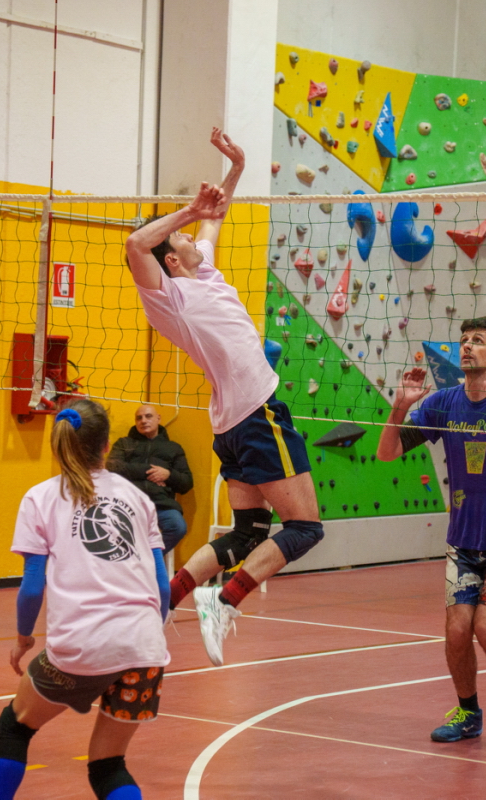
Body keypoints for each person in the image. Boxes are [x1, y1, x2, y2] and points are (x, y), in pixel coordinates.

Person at [123, 128, 323, 667]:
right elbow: (136, 245)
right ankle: (225, 600)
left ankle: (162, 604)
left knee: (248, 532)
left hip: (233, 423)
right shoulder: (169, 297)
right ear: (172, 260)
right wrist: (187, 211)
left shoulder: (204, 269)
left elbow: (217, 215)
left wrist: (236, 167)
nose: (196, 236)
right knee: (305, 528)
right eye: (185, 238)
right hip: (257, 415)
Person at [376, 318, 486, 754]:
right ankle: (468, 713)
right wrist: (399, 407)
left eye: (477, 341)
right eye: (463, 340)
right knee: (458, 629)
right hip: (464, 539)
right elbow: (387, 453)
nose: (466, 347)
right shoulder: (443, 404)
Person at [0, 399, 170, 800]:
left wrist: (23, 638)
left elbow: (33, 586)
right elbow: (162, 584)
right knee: (108, 765)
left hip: (81, 647)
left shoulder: (40, 497)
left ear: (58, 445)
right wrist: (148, 634)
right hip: (145, 647)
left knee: (14, 727)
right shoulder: (138, 497)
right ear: (106, 446)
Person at [106, 404, 194, 555]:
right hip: (129, 503)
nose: (143, 421)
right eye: (139, 418)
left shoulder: (173, 448)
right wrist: (149, 471)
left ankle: (143, 558)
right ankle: (139, 560)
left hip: (161, 504)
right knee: (111, 528)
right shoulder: (124, 443)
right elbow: (112, 468)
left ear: (158, 418)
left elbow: (187, 483)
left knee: (178, 527)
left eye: (148, 416)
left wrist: (168, 475)